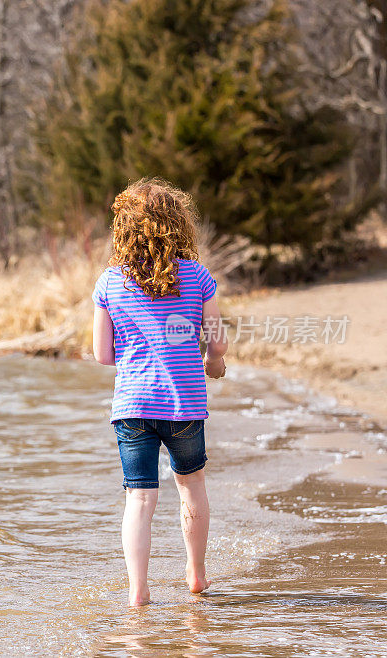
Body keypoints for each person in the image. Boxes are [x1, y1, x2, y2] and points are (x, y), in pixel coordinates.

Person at [91, 177, 228, 607]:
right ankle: (197, 573)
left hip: (132, 406)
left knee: (140, 498)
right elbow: (217, 338)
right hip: (184, 405)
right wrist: (213, 363)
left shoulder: (110, 283)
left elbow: (101, 355)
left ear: (124, 229)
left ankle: (138, 591)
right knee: (191, 484)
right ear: (178, 224)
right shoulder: (198, 276)